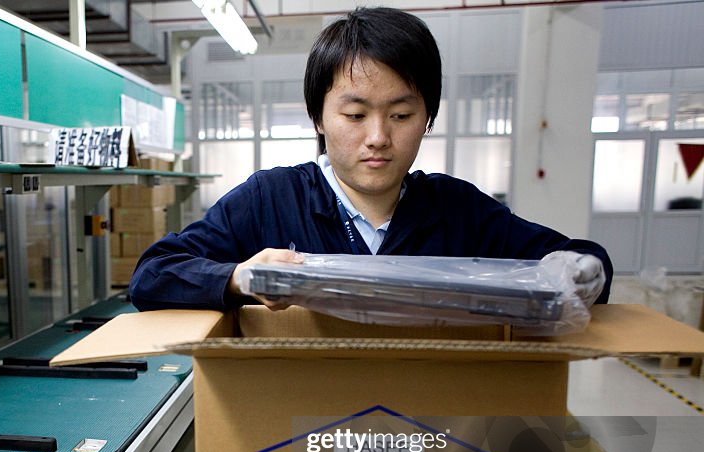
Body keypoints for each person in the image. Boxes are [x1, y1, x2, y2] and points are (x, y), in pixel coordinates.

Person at [129, 7, 612, 312]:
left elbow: (579, 259)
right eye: (355, 115)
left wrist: (580, 270)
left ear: (428, 118)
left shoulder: (457, 210)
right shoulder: (270, 199)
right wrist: (238, 277)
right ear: (318, 117)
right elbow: (153, 275)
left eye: (401, 115)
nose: (378, 138)